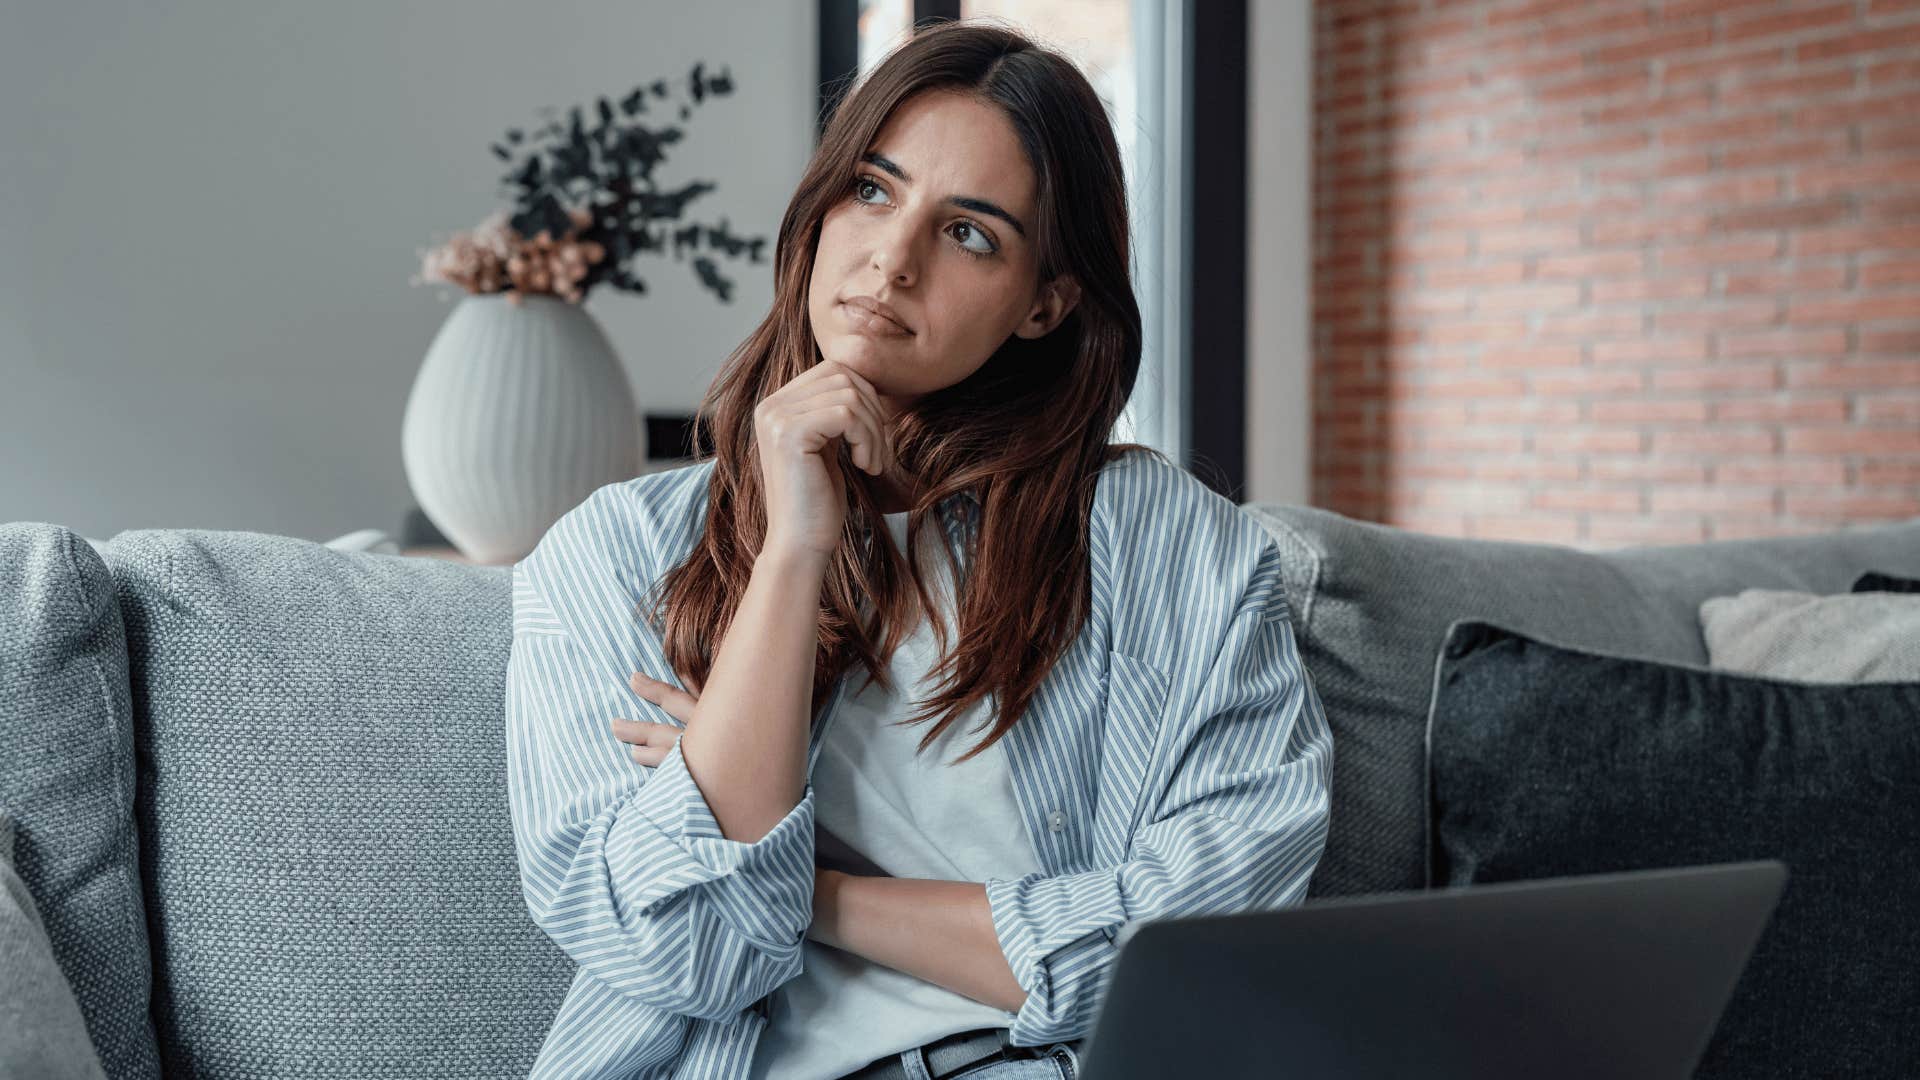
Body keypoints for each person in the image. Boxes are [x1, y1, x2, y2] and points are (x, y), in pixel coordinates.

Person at [504, 18, 1333, 1080]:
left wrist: (808, 887)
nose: (892, 261)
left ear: (1047, 304)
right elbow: (684, 948)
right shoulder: (616, 557)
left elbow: (1200, 950)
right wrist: (796, 547)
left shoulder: (1172, 551)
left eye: (969, 233)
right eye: (874, 191)